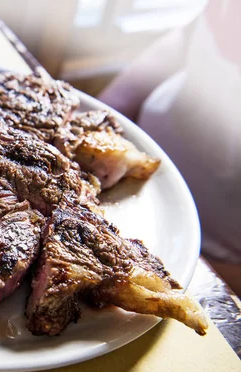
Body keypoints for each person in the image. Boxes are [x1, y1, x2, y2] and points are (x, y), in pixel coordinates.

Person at [98, 0, 241, 292]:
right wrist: (111, 109)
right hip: (129, 189)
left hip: (213, 257)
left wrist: (215, 280)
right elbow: (187, 38)